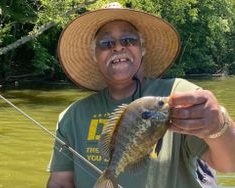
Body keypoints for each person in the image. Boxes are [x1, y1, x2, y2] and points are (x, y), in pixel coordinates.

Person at [46, 2, 235, 188]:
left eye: (129, 39)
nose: (118, 47)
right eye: (106, 43)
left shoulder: (180, 95)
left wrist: (219, 125)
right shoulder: (71, 116)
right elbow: (60, 183)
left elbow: (229, 164)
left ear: (142, 48)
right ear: (94, 55)